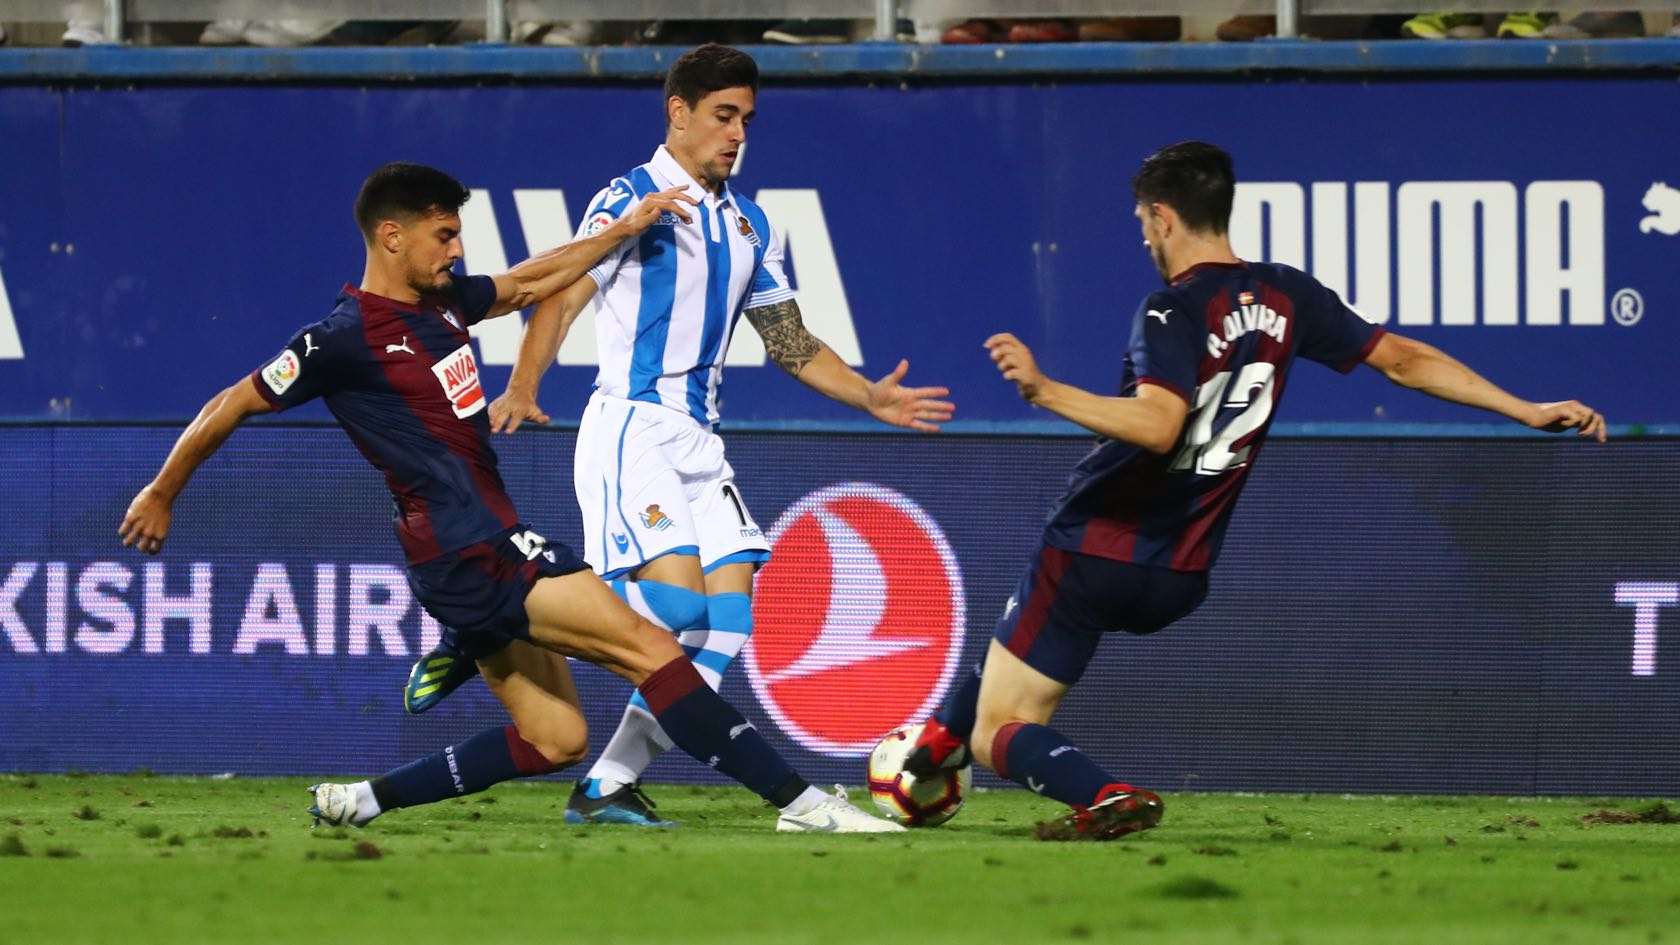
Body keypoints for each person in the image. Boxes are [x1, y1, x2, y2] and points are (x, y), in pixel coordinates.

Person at [117, 161, 902, 834]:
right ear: (392, 236)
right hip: (474, 545)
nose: (456, 250)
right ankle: (801, 802)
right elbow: (234, 400)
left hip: (459, 555)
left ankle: (362, 799)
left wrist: (623, 229)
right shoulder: (343, 336)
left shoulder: (448, 301)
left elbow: (532, 280)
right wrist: (161, 490)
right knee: (653, 648)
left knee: (555, 736)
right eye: (443, 235)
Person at [904, 141, 1607, 841]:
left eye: (1143, 221)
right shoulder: (1286, 294)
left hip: (1094, 547)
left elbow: (1157, 424)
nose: (1144, 235)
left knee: (1002, 728)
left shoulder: (1170, 309)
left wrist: (1043, 389)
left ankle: (1103, 792)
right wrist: (1526, 407)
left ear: (1164, 218)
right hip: (1181, 571)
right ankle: (934, 744)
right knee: (1017, 641)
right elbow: (1403, 359)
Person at [414, 44, 953, 828]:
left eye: (746, 120)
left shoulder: (751, 221)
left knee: (723, 623)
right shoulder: (631, 196)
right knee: (670, 603)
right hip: (633, 426)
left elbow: (789, 340)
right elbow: (559, 294)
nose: (737, 134)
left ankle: (605, 783)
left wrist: (870, 394)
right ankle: (495, 621)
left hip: (701, 442)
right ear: (679, 113)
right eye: (722, 116)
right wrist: (525, 383)